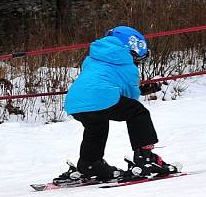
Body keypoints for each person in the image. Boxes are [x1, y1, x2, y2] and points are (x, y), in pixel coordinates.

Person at [58, 26, 177, 182]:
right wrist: (140, 91)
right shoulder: (127, 64)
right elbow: (131, 96)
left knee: (96, 127)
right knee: (138, 112)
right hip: (101, 98)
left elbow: (100, 81)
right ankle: (145, 158)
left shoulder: (94, 57)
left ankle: (90, 164)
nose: (138, 63)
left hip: (76, 102)